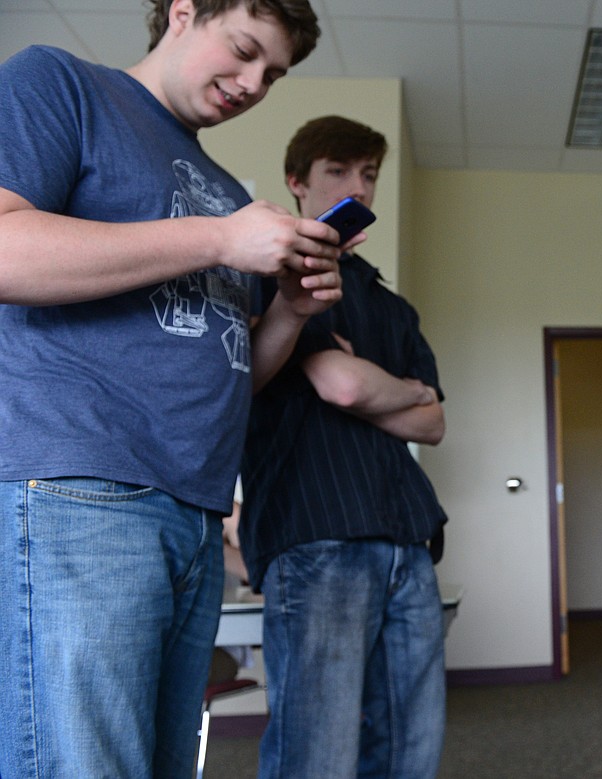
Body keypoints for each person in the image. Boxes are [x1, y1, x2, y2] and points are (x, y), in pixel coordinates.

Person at [0, 1, 347, 775]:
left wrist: (289, 310)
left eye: (274, 74)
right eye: (245, 49)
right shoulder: (60, 83)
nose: (254, 83)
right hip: (81, 489)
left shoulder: (226, 185)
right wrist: (224, 238)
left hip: (192, 511)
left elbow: (231, 373)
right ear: (183, 12)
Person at [240, 115, 449, 779]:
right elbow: (340, 386)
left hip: (407, 540)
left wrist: (390, 385)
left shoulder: (394, 309)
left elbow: (435, 422)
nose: (358, 188)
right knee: (317, 757)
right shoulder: (274, 279)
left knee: (410, 752)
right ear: (298, 182)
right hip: (316, 537)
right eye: (339, 172)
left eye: (368, 175)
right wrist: (403, 390)